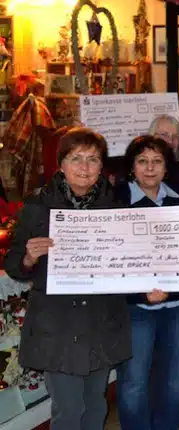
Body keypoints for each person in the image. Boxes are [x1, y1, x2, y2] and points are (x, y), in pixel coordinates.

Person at [5, 128, 131, 430]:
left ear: (102, 166)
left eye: (93, 159)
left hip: (100, 319)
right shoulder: (37, 205)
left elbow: (128, 262)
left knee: (96, 405)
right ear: (61, 164)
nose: (85, 168)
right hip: (57, 324)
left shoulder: (115, 206)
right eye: (76, 159)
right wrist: (29, 257)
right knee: (68, 409)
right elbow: (13, 265)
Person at [114, 135, 179, 430]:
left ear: (166, 167)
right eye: (142, 161)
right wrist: (142, 291)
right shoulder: (115, 202)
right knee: (134, 381)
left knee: (175, 379)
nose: (150, 168)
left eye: (157, 161)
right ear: (132, 167)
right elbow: (112, 259)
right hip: (135, 307)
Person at [149, 114, 179, 196]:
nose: (170, 141)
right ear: (152, 136)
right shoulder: (141, 169)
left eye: (175, 136)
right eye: (164, 135)